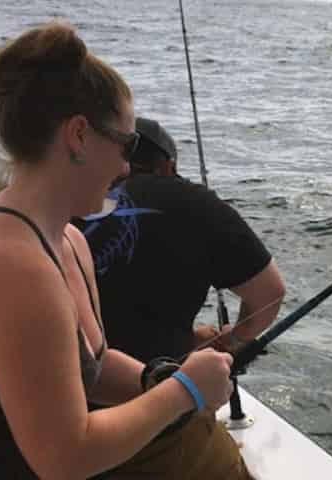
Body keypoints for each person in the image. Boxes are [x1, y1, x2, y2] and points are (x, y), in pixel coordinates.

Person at [0, 22, 234, 479]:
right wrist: (185, 391)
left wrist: (156, 379)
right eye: (126, 144)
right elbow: (65, 458)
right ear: (78, 135)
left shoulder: (68, 239)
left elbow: (94, 361)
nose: (126, 165)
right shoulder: (11, 264)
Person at [73, 117, 286, 479]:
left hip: (53, 415)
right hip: (153, 429)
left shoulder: (57, 208)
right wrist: (229, 342)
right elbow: (270, 294)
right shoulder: (189, 199)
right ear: (167, 166)